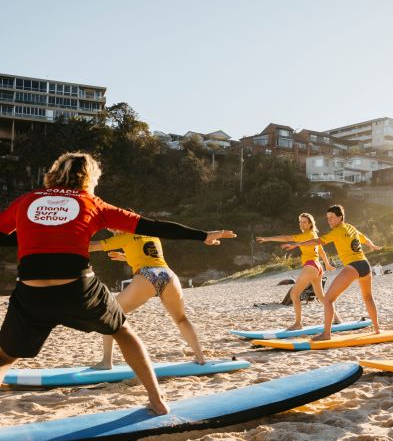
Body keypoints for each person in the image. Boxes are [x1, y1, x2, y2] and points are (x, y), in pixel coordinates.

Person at [0, 152, 235, 415]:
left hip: (32, 292)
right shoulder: (92, 202)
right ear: (89, 177)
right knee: (123, 331)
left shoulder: (26, 201)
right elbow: (153, 226)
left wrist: (32, 239)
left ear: (54, 173)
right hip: (78, 289)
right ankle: (157, 401)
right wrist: (202, 235)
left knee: (5, 356)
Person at [88, 228, 207, 369]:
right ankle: (201, 358)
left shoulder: (124, 237)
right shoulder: (151, 234)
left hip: (147, 276)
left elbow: (91, 246)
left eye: (114, 228)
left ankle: (106, 361)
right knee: (181, 319)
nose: (113, 232)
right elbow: (147, 253)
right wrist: (126, 256)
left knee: (109, 314)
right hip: (167, 275)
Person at [281, 205, 381, 341]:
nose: (329, 221)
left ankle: (326, 334)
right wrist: (372, 246)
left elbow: (317, 241)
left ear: (340, 217)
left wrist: (297, 244)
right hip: (365, 264)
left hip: (353, 267)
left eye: (332, 218)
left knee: (328, 299)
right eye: (328, 218)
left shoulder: (337, 231)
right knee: (368, 297)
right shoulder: (351, 227)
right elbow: (364, 239)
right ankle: (377, 329)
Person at [256, 213, 341, 329]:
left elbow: (287, 238)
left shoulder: (306, 235)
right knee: (321, 297)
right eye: (300, 221)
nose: (301, 224)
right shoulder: (313, 234)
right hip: (318, 267)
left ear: (310, 224)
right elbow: (321, 249)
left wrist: (268, 239)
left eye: (304, 222)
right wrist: (326, 264)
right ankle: (336, 318)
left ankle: (298, 323)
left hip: (311, 266)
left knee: (294, 294)